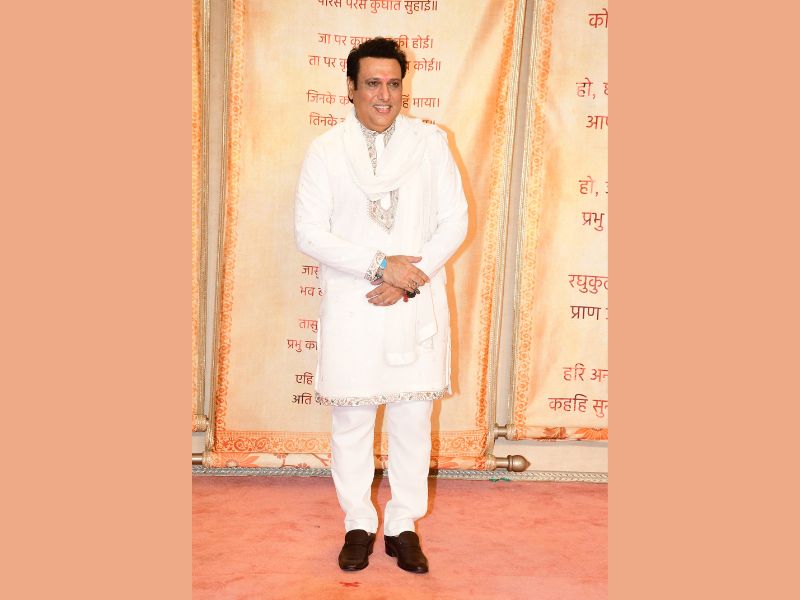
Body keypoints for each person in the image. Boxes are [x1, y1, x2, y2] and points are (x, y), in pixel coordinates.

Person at [294, 37, 468, 574]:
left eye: (393, 84)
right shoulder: (326, 150)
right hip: (355, 300)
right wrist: (378, 266)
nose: (384, 95)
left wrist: (407, 277)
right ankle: (358, 523)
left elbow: (454, 221)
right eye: (372, 83)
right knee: (352, 419)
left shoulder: (430, 144)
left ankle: (403, 525)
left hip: (414, 298)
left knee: (412, 419)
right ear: (350, 88)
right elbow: (309, 232)